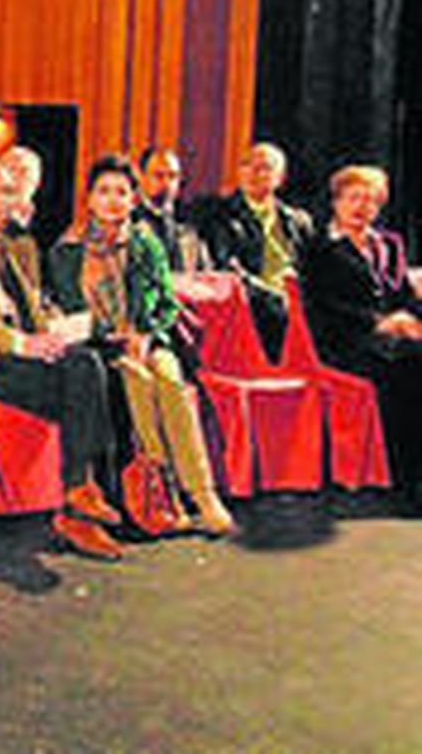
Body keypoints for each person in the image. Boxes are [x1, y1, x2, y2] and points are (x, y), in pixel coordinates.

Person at [0, 159, 123, 560]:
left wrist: (52, 332)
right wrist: (19, 343)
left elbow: (32, 305)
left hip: (26, 350)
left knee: (86, 365)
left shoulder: (21, 245)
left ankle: (77, 495)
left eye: (6, 192)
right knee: (81, 389)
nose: (0, 201)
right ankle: (76, 505)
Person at [48, 155, 235, 537]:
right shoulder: (66, 251)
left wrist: (146, 333)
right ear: (89, 200)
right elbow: (69, 315)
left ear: (134, 198)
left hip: (148, 339)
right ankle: (162, 493)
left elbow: (168, 303)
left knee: (169, 379)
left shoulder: (145, 244)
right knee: (138, 381)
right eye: (104, 191)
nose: (113, 200)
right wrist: (110, 336)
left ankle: (203, 494)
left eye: (122, 191)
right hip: (101, 348)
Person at [300, 165, 422, 504]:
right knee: (409, 368)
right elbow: (324, 307)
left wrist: (412, 318)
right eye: (354, 198)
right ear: (336, 202)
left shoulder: (390, 244)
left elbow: (404, 297)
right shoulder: (319, 248)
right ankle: (406, 482)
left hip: (394, 338)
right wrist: (379, 323)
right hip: (344, 341)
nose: (361, 207)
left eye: (370, 201)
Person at [199, 141, 314, 357]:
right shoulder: (220, 215)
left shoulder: (298, 220)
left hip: (298, 303)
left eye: (264, 168)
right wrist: (276, 297)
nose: (253, 172)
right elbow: (228, 270)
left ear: (280, 178)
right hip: (255, 306)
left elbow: (313, 268)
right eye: (246, 164)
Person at [133, 146, 211, 274]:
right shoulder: (130, 221)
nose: (167, 183)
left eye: (172, 176)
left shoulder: (191, 220)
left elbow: (205, 272)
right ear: (141, 177)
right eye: (159, 176)